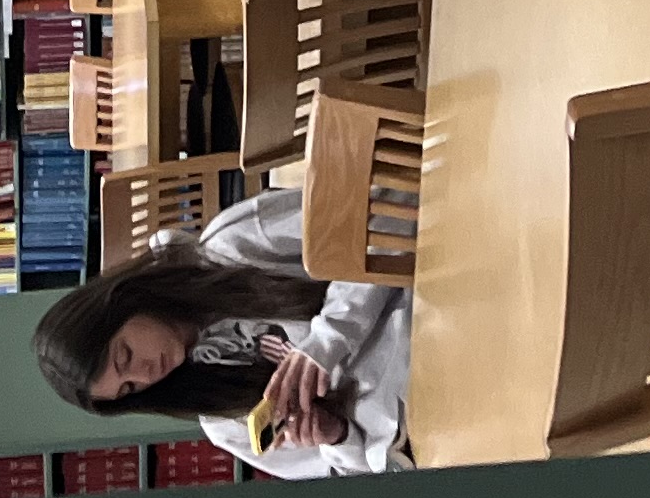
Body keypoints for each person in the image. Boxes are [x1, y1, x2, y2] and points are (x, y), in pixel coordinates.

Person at [31, 188, 410, 478]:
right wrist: (336, 436)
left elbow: (376, 214)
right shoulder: (223, 422)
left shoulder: (229, 249)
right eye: (128, 388)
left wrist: (328, 341)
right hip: (417, 424)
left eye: (125, 356)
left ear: (121, 305)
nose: (145, 375)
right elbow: (365, 478)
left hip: (427, 312)